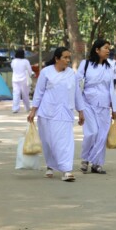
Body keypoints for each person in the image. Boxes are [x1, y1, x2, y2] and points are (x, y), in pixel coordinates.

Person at [27, 47, 84, 181]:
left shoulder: (72, 74)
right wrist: (33, 111)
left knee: (65, 141)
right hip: (47, 112)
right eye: (65, 57)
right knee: (48, 142)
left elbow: (77, 94)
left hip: (65, 112)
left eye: (69, 57)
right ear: (57, 59)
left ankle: (67, 170)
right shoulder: (46, 72)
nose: (68, 60)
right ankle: (50, 165)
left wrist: (81, 111)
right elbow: (39, 92)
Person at [77, 39, 116, 175]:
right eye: (105, 48)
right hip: (87, 104)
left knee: (102, 135)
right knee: (92, 132)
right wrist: (79, 108)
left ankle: (97, 164)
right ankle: (85, 159)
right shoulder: (85, 65)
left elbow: (111, 88)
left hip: (104, 105)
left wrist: (114, 108)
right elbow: (77, 85)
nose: (108, 51)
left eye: (109, 48)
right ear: (97, 50)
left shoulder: (109, 67)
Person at [11, 49, 33, 113]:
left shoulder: (13, 61)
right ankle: (27, 108)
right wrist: (30, 75)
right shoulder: (26, 61)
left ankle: (15, 108)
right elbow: (29, 70)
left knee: (16, 94)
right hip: (24, 80)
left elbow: (12, 68)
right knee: (25, 94)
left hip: (15, 79)